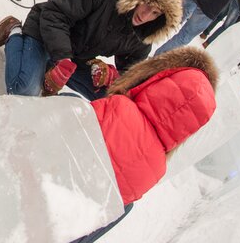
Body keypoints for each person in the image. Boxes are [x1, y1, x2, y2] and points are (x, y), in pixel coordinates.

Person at [71, 46, 218, 243]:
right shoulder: (158, 169)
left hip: (54, 183)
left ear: (158, 82)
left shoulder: (119, 106)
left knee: (70, 103)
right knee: (123, 208)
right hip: (77, 221)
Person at [0, 0, 182, 101]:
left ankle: (47, 72)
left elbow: (131, 72)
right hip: (45, 32)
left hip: (76, 56)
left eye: (155, 13)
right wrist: (62, 58)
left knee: (108, 97)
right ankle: (13, 31)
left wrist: (112, 75)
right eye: (147, 4)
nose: (146, 16)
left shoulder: (144, 36)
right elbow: (54, 13)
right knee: (24, 93)